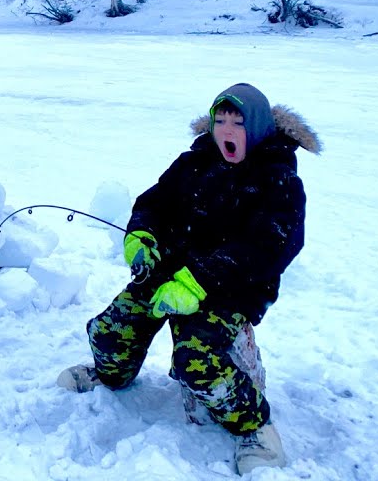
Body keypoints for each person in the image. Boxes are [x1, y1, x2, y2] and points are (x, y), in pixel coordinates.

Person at [57, 83, 320, 475]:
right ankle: (111, 374)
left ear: (259, 127)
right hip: (169, 275)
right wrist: (142, 236)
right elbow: (154, 203)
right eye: (220, 119)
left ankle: (253, 426)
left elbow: (269, 246)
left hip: (232, 289)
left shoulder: (278, 179)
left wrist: (198, 280)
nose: (226, 129)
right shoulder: (194, 161)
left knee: (196, 360)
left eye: (238, 121)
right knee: (110, 331)